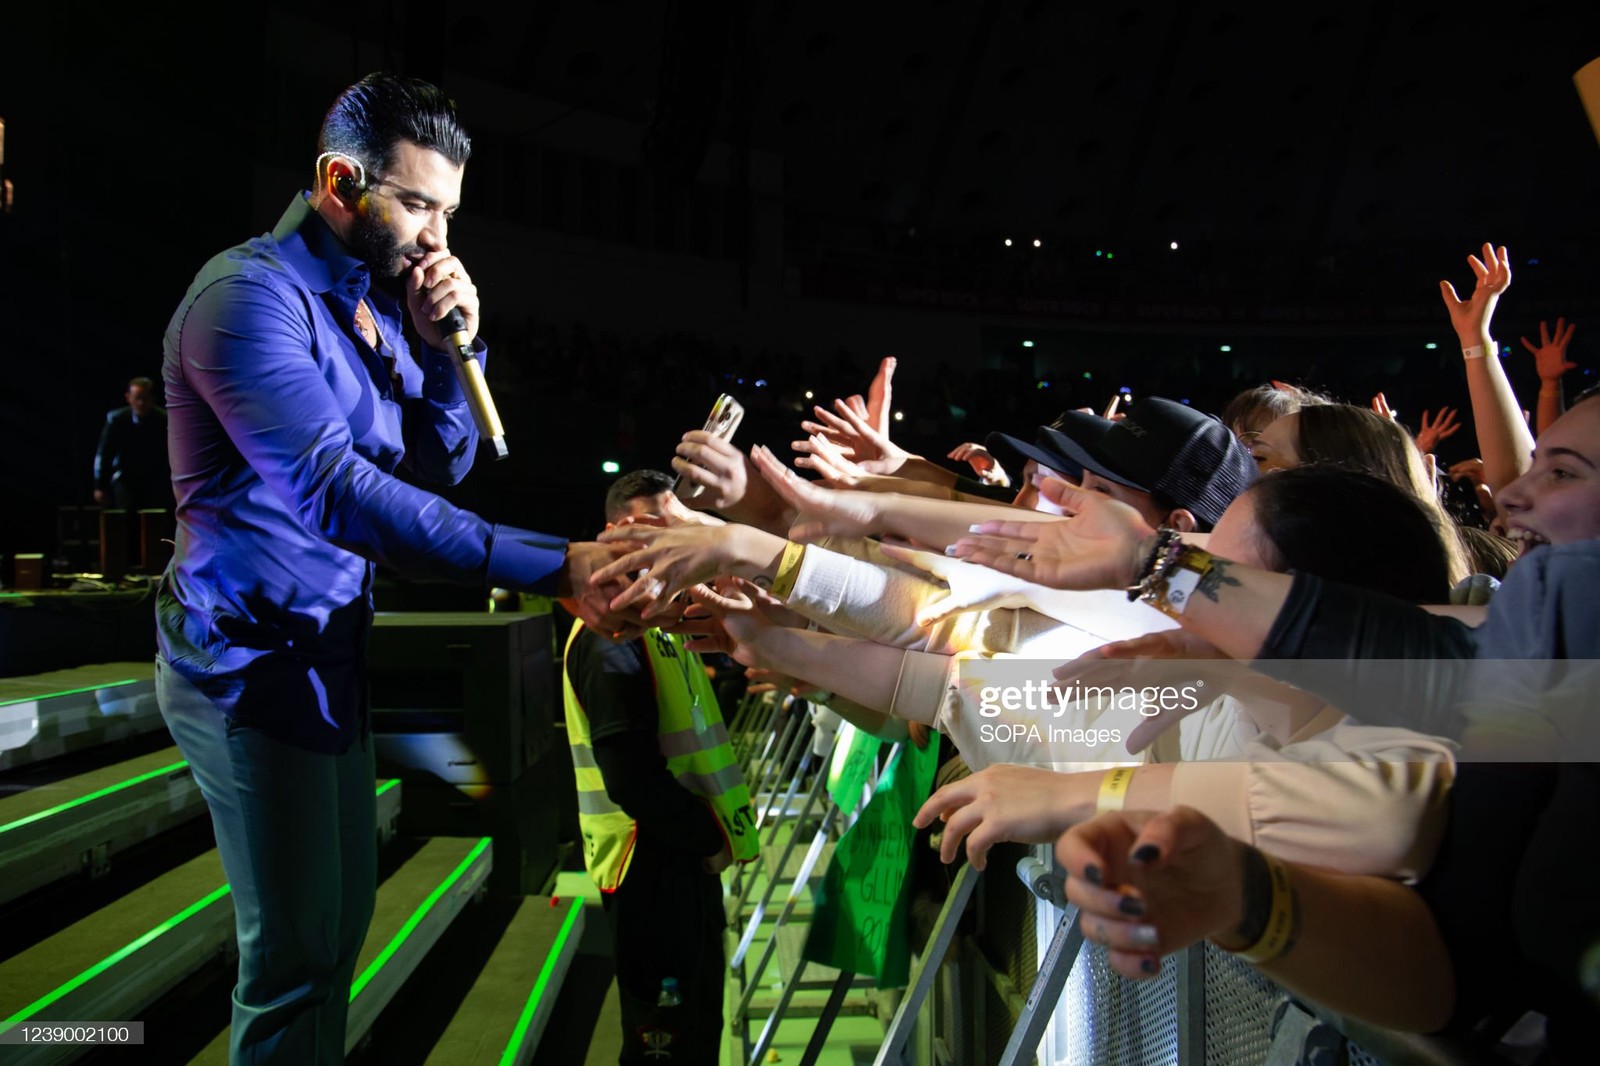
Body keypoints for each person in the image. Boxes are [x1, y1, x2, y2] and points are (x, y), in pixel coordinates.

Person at [156, 73, 635, 1064]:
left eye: (448, 212)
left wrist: (453, 352)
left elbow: (436, 465)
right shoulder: (245, 298)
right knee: (293, 963)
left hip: (329, 653)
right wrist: (558, 564)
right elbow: (336, 491)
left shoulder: (378, 303)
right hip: (245, 662)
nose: (436, 238)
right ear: (339, 180)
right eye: (417, 203)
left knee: (334, 938)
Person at [563, 470, 756, 1063]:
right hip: (652, 864)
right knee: (664, 1048)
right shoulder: (612, 638)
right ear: (614, 534)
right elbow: (631, 779)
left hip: (678, 861)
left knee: (695, 1031)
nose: (674, 544)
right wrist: (705, 836)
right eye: (656, 528)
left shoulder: (661, 624)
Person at [93, 375, 172, 508]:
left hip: (155, 479)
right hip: (126, 478)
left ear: (152, 398)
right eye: (137, 398)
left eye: (145, 398)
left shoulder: (164, 420)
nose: (141, 403)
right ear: (128, 398)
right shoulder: (116, 420)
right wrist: (100, 485)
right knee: (127, 516)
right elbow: (104, 453)